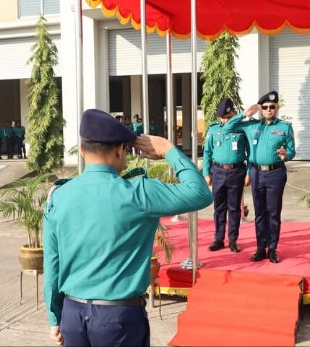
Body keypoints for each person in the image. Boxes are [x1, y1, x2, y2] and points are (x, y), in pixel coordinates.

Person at [43, 108, 213, 347]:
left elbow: (52, 265)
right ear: (120, 150)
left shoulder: (58, 196)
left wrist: (55, 317)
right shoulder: (139, 192)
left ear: (82, 150)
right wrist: (168, 151)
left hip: (73, 314)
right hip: (117, 318)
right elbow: (200, 194)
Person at [242, 90, 296, 263]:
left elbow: (292, 150)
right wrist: (245, 114)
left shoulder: (284, 127)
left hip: (275, 173)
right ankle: (260, 248)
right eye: (265, 107)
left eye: (272, 107)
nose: (268, 110)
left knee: (273, 213)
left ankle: (272, 249)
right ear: (260, 109)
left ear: (277, 107)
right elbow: (229, 126)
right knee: (260, 213)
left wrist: (285, 155)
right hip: (256, 173)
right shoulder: (252, 126)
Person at [202, 98, 249, 253]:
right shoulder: (214, 129)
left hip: (236, 172)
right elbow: (207, 152)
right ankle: (218, 239)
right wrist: (206, 172)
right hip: (218, 172)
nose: (226, 120)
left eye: (229, 117)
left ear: (234, 113)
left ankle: (233, 240)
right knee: (219, 208)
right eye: (223, 117)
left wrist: (248, 173)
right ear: (219, 117)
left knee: (234, 208)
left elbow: (251, 153)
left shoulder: (242, 129)